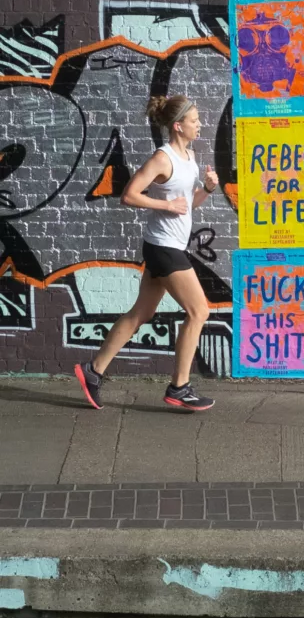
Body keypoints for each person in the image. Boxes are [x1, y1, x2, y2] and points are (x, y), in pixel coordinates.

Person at [74, 95, 218, 412]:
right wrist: (165, 204)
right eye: (194, 120)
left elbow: (186, 207)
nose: (199, 124)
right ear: (178, 126)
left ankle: (93, 370)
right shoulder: (162, 158)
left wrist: (205, 190)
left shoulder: (190, 157)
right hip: (162, 247)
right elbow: (129, 195)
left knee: (141, 313)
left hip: (170, 245)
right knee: (199, 312)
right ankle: (179, 387)